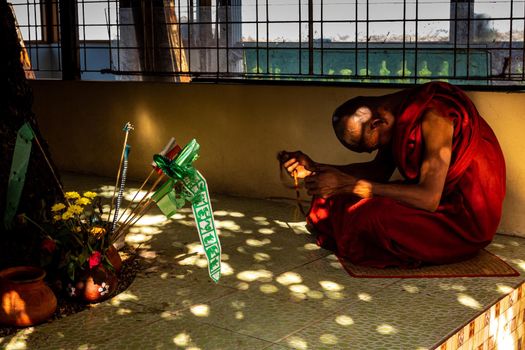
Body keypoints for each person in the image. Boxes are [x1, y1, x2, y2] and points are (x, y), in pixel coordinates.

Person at [279, 82, 506, 268]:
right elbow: (377, 171)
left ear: (377, 123)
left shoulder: (434, 115)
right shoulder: (395, 116)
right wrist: (315, 168)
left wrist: (350, 185)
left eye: (371, 146)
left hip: (460, 217)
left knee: (370, 216)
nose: (374, 150)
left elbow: (429, 198)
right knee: (327, 200)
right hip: (431, 199)